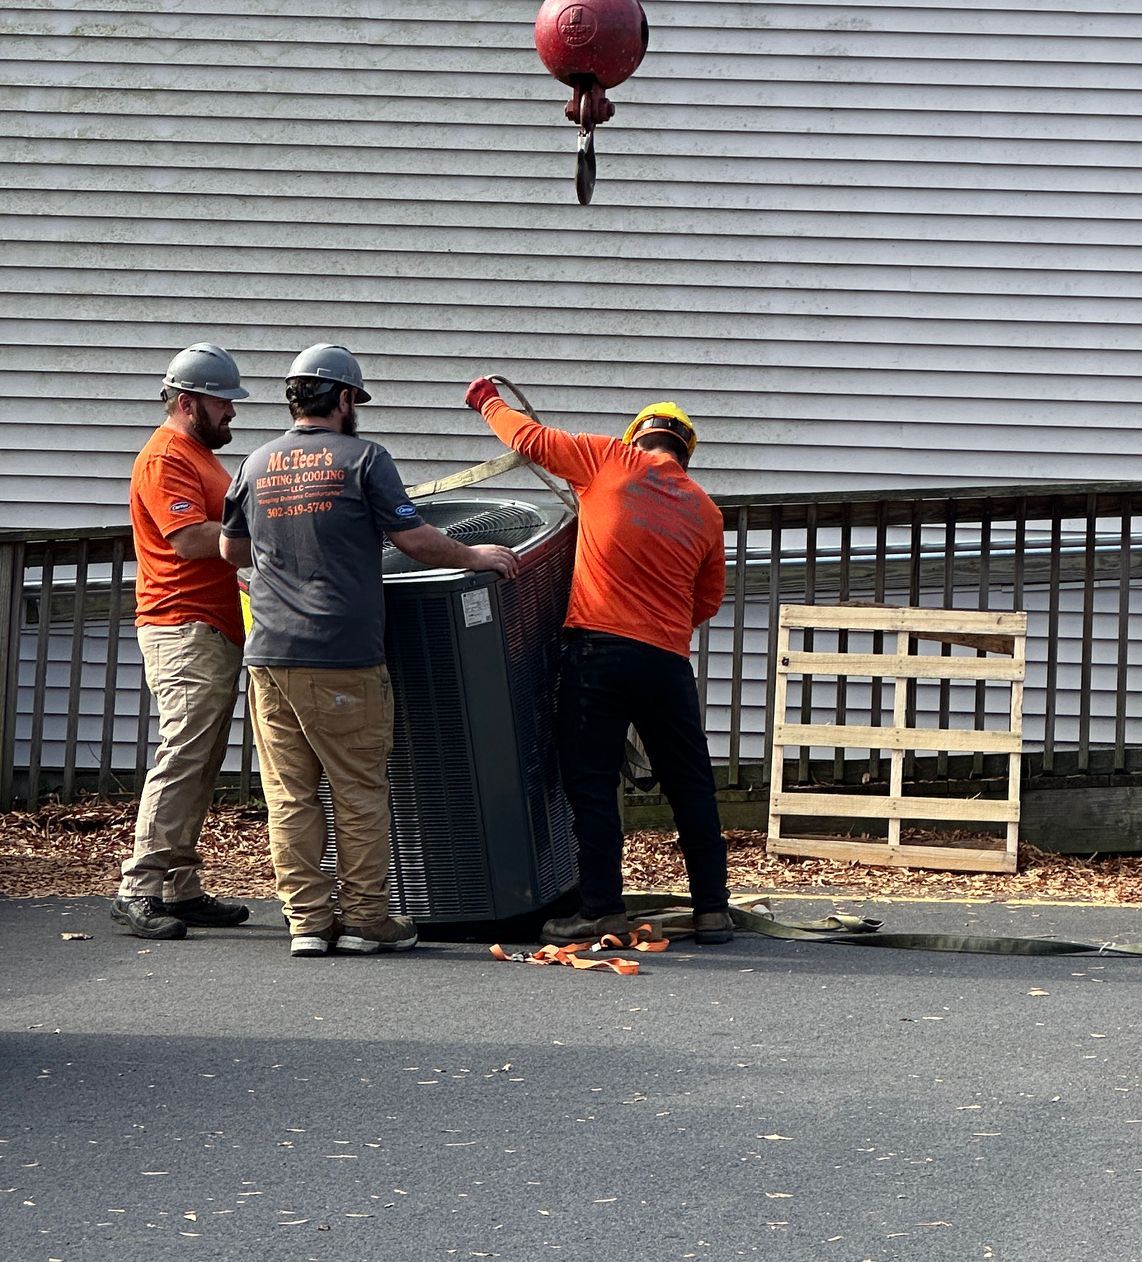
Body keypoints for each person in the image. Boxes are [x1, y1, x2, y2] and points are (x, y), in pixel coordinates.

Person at [219, 344, 519, 956]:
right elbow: (412, 539)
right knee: (356, 788)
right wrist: (475, 556)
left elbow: (230, 552)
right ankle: (364, 921)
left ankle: (306, 924)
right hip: (342, 654)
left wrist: (283, 561)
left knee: (290, 794)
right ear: (346, 397)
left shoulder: (255, 464)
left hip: (268, 654)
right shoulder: (364, 458)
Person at [461, 379, 732, 944]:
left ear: (639, 436)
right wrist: (662, 625)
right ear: (686, 451)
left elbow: (530, 439)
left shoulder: (610, 459)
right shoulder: (706, 511)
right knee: (690, 785)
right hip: (667, 662)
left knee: (592, 781)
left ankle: (602, 908)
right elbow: (706, 599)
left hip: (599, 652)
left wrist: (488, 400)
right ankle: (712, 909)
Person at [113, 346, 258, 942]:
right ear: (188, 401)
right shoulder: (167, 456)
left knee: (198, 760)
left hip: (210, 625)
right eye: (223, 402)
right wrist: (282, 541)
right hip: (181, 624)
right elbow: (193, 539)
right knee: (182, 755)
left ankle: (181, 888)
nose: (231, 414)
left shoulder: (198, 456)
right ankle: (138, 888)